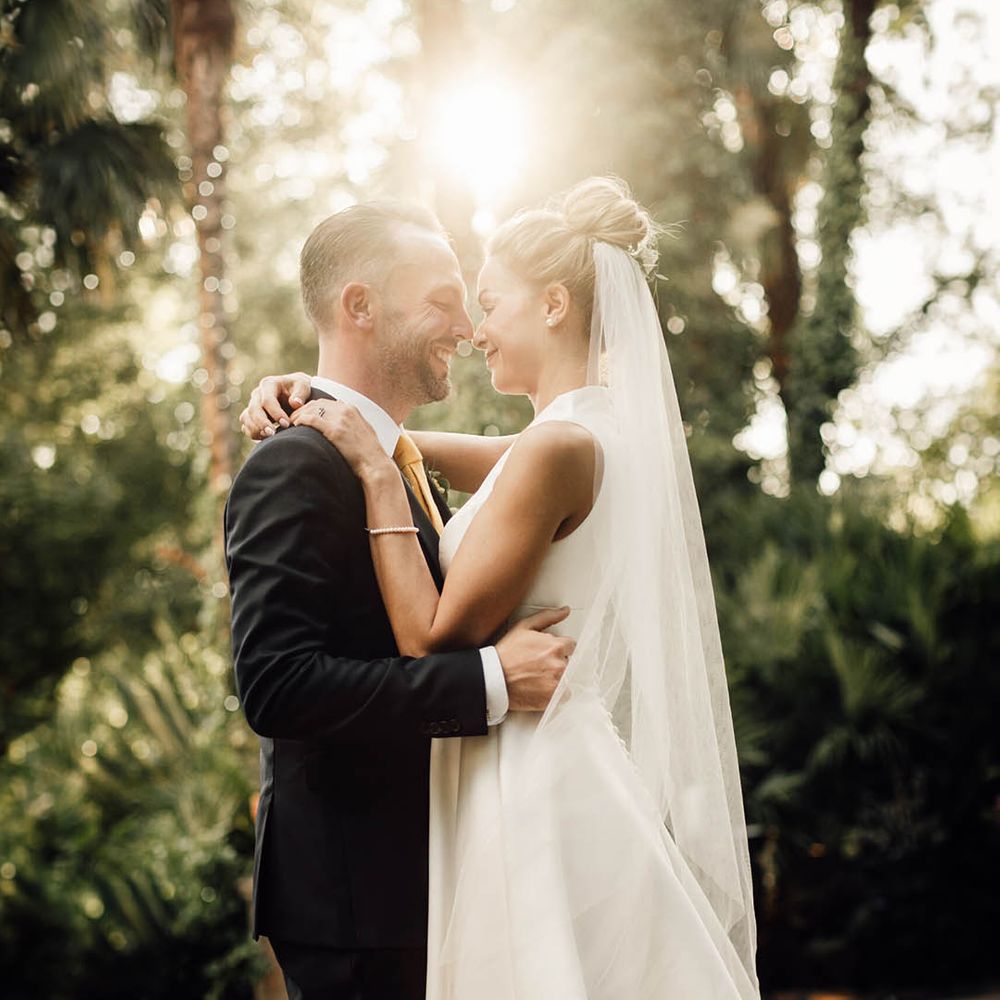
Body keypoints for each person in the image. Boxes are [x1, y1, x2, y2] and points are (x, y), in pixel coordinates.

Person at [243, 177, 761, 998]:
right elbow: (423, 446)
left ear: (554, 303)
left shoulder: (557, 449)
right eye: (454, 303)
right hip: (486, 795)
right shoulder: (582, 435)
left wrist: (374, 466)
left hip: (531, 780)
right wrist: (310, 396)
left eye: (486, 302)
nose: (474, 329)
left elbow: (429, 632)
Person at [223, 199, 575, 1000]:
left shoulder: (393, 462)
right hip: (358, 901)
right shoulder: (295, 466)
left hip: (429, 877)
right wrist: (492, 680)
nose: (465, 324)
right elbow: (278, 686)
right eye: (442, 298)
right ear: (360, 307)